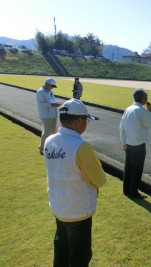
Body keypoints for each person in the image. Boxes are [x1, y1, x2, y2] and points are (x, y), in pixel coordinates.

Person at [44, 98, 107, 266]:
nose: (86, 124)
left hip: (59, 206)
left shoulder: (49, 141)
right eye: (86, 120)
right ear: (79, 120)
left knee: (61, 251)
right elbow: (100, 180)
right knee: (79, 256)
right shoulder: (81, 147)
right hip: (78, 210)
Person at [119, 89, 151, 199]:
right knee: (137, 169)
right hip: (139, 145)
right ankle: (133, 192)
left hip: (129, 144)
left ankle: (126, 190)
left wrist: (124, 142)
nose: (147, 99)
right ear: (143, 98)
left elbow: (121, 127)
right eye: (146, 97)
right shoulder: (141, 111)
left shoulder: (128, 109)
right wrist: (150, 111)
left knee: (128, 168)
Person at [36, 77, 63, 155]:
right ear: (47, 84)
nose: (52, 88)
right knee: (47, 132)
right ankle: (42, 148)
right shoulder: (40, 92)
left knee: (52, 132)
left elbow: (52, 101)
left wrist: (58, 102)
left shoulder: (50, 92)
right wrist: (53, 104)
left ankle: (49, 147)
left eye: (53, 86)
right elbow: (41, 104)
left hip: (53, 114)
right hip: (46, 115)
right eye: (52, 86)